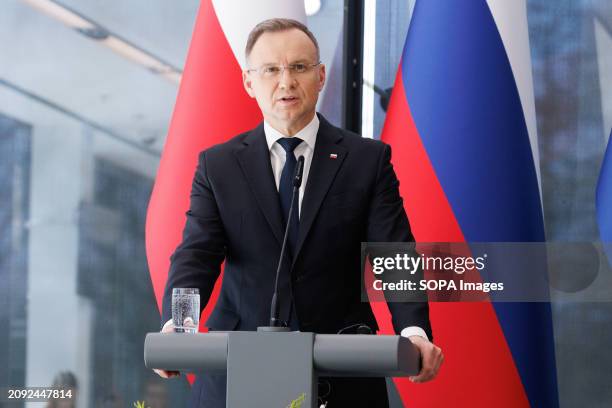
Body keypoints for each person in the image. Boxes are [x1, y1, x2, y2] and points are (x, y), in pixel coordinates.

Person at [154, 18, 443, 407]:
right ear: (249, 82)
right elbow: (196, 253)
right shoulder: (218, 165)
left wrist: (413, 331)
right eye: (271, 69)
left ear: (320, 76)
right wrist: (179, 326)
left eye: (299, 67)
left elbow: (394, 255)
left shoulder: (366, 161)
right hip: (238, 370)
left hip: (343, 369)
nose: (286, 82)